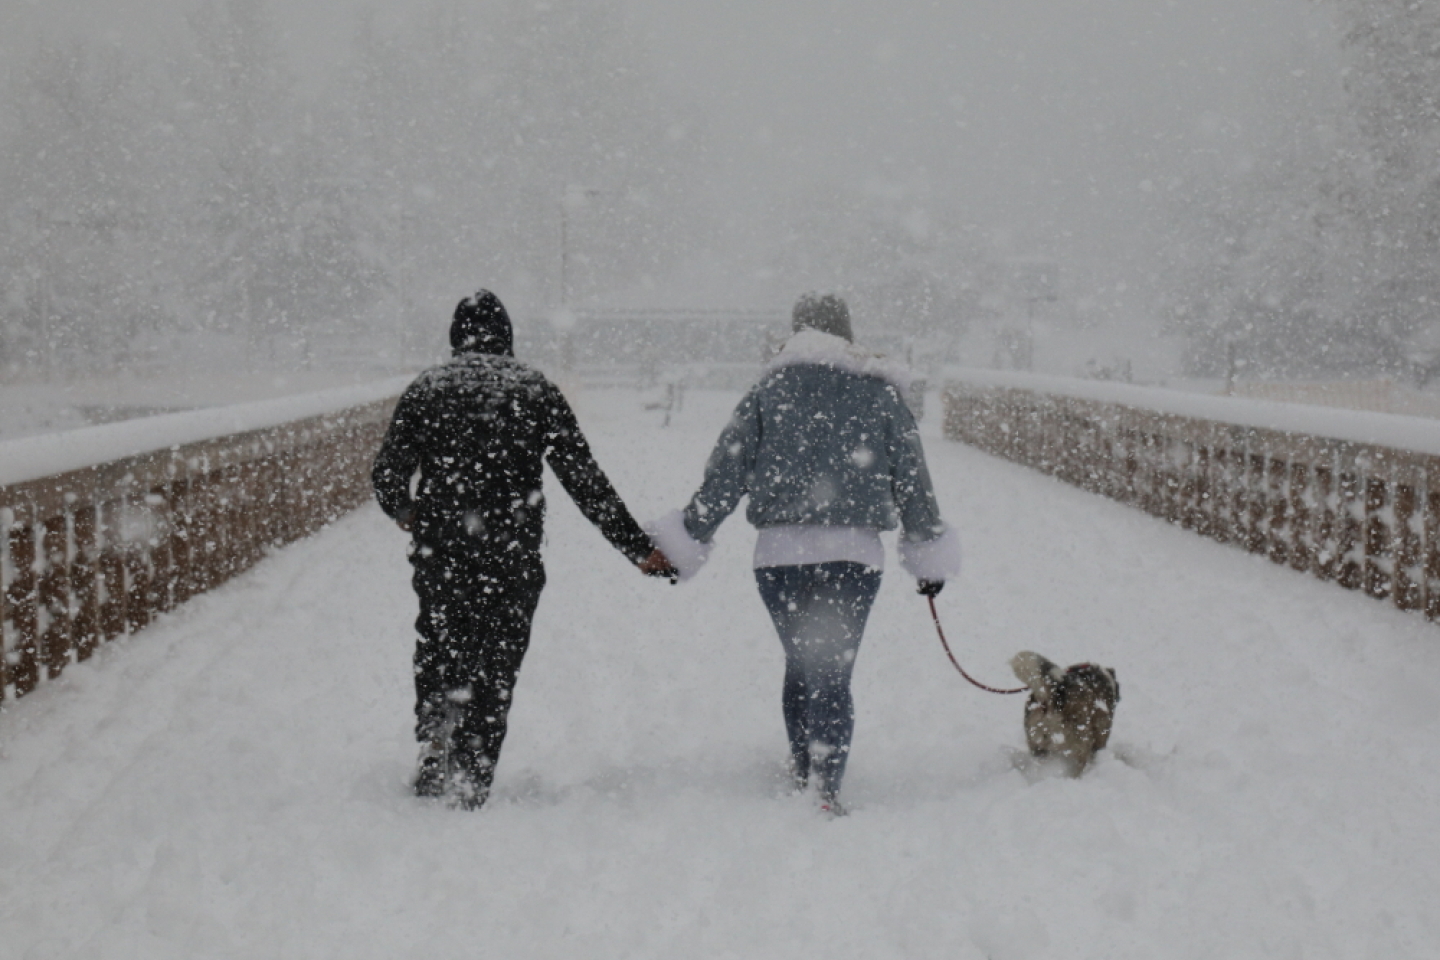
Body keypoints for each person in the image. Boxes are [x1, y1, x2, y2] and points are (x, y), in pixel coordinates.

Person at [647, 293, 959, 816]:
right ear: (847, 333)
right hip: (853, 555)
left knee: (803, 661)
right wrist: (926, 548)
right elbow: (912, 478)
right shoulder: (880, 393)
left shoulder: (768, 390)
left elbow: (726, 472)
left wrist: (690, 535)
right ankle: (824, 789)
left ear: (795, 331)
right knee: (831, 670)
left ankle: (803, 767)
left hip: (778, 557)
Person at [372, 289, 675, 809]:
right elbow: (584, 480)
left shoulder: (428, 389)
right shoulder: (533, 390)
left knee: (440, 642)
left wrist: (407, 512)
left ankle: (435, 735)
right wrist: (637, 548)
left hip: (442, 550)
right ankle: (474, 770)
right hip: (509, 554)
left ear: (455, 337)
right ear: (506, 337)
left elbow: (386, 474)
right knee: (497, 659)